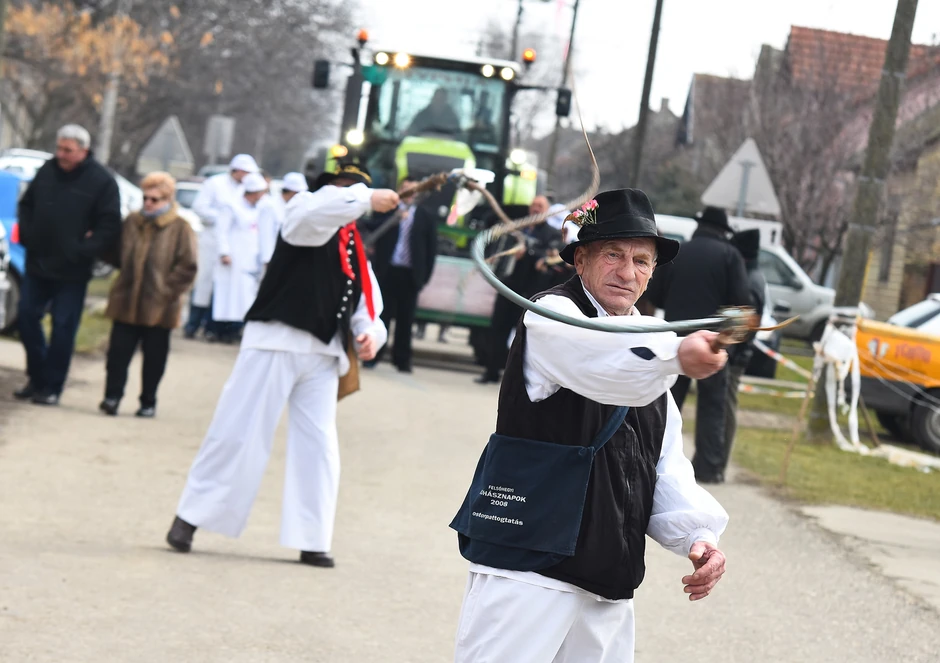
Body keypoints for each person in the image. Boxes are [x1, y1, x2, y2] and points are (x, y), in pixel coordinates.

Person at [450, 189, 729, 663]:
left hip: (606, 578)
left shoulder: (654, 340)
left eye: (642, 261)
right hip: (529, 569)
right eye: (614, 255)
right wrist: (677, 354)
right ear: (581, 259)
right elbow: (601, 365)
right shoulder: (552, 315)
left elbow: (663, 464)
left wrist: (698, 537)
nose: (628, 272)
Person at [166, 163, 399, 568]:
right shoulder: (303, 212)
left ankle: (313, 537)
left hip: (323, 354)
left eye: (358, 189)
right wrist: (362, 197)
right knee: (238, 430)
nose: (351, 197)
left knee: (320, 448)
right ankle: (191, 516)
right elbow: (314, 216)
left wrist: (369, 335)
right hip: (276, 340)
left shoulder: (353, 247)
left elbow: (367, 303)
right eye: (345, 189)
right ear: (329, 190)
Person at [13, 124, 122, 406]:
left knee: (63, 327)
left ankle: (52, 386)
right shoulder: (47, 171)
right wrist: (28, 235)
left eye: (67, 150)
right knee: (26, 317)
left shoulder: (102, 181)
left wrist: (82, 250)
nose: (60, 154)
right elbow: (27, 205)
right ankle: (36, 377)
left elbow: (109, 225)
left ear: (83, 151)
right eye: (59, 148)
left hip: (72, 270)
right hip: (38, 262)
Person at [644, 206, 751, 483]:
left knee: (667, 403)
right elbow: (740, 305)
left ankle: (654, 459)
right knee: (713, 406)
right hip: (713, 342)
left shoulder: (680, 252)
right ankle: (708, 467)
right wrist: (732, 346)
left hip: (675, 339)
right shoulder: (731, 256)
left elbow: (656, 295)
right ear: (723, 231)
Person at [99, 172, 198, 418]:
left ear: (167, 199)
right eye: (145, 198)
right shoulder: (132, 222)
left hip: (160, 305)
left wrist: (166, 292)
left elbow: (188, 266)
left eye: (155, 199)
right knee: (117, 354)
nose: (148, 203)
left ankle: (148, 401)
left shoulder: (180, 228)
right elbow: (115, 254)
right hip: (126, 299)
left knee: (154, 358)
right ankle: (112, 397)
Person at [475, 195, 562, 384]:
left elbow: (552, 256)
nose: (535, 208)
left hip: (530, 293)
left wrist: (529, 254)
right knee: (497, 329)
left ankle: (517, 379)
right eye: (533, 205)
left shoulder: (552, 233)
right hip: (508, 287)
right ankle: (491, 372)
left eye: (540, 206)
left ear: (547, 210)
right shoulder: (517, 228)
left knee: (524, 336)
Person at [365, 179, 438, 372]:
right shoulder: (387, 210)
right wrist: (394, 218)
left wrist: (424, 277)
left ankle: (402, 360)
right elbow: (369, 226)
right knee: (383, 316)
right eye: (405, 189)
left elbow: (431, 249)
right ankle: (374, 356)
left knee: (406, 320)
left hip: (410, 274)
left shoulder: (425, 216)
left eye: (413, 190)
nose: (409, 193)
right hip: (387, 271)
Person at [184, 154, 258, 340]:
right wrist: (223, 217)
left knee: (225, 288)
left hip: (233, 244)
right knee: (204, 283)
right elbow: (200, 207)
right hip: (211, 240)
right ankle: (192, 325)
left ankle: (214, 328)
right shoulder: (215, 184)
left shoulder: (246, 189)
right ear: (238, 170)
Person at [724, 228, 766, 470]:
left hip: (737, 355)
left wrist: (731, 351)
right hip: (741, 353)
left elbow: (744, 323)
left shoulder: (748, 280)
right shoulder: (753, 275)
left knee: (727, 406)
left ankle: (721, 457)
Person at [211, 172, 267, 344]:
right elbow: (222, 230)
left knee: (244, 297)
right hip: (232, 258)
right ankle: (220, 331)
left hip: (249, 259)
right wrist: (224, 252)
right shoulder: (231, 206)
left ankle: (235, 329)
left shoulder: (260, 209)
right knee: (228, 296)